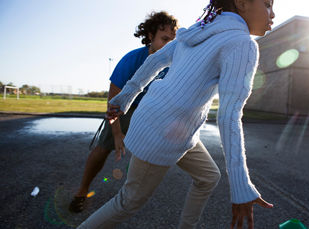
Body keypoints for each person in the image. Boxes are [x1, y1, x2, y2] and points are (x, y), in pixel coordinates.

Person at [78, 0, 275, 228]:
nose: (273, 13)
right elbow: (228, 115)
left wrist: (124, 98)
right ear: (241, 3)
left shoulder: (200, 29)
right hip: (161, 133)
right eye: (267, 4)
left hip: (174, 127)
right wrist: (241, 187)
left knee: (208, 176)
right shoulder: (242, 44)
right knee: (128, 202)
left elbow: (155, 60)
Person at [68, 11, 179, 213]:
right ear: (151, 35)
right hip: (125, 110)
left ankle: (135, 196)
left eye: (173, 40)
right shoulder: (131, 60)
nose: (170, 45)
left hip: (153, 110)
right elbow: (113, 104)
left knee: (153, 154)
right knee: (104, 147)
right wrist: (117, 134)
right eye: (165, 39)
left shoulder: (175, 63)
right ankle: (82, 191)